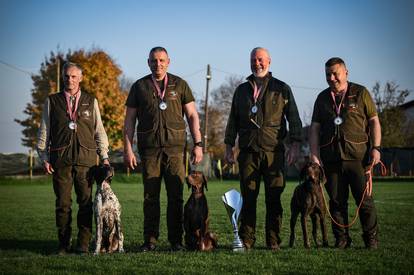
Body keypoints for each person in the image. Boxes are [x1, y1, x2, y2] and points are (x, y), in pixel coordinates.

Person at [123, 47, 203, 252]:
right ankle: (150, 240)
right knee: (151, 197)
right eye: (153, 61)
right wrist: (128, 148)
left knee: (176, 197)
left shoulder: (180, 84)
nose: (157, 64)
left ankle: (176, 241)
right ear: (147, 62)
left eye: (161, 60)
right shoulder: (139, 87)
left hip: (175, 150)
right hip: (149, 150)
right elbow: (129, 120)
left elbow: (193, 115)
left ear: (168, 61)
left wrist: (198, 143)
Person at [224, 47, 302, 251]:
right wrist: (228, 145)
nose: (257, 63)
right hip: (248, 152)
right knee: (248, 199)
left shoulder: (282, 88)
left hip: (274, 151)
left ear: (269, 61)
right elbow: (232, 120)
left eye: (260, 59)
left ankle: (273, 240)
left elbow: (293, 118)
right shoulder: (241, 90)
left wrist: (295, 145)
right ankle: (247, 239)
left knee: (274, 198)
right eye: (253, 60)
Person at [37, 62, 110, 255]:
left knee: (85, 204)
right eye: (67, 76)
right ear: (63, 78)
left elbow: (99, 131)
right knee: (63, 204)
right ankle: (63, 244)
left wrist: (104, 157)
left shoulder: (90, 100)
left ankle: (83, 244)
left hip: (86, 162)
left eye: (74, 76)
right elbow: (44, 131)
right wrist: (43, 157)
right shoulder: (52, 101)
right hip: (60, 161)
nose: (70, 80)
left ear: (81, 78)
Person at [309, 57, 381, 249]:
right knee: (336, 202)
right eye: (327, 74)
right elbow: (315, 129)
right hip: (331, 159)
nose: (331, 78)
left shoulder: (361, 93)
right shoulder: (322, 98)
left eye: (335, 73)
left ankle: (371, 239)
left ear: (346, 73)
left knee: (364, 202)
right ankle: (342, 239)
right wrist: (314, 155)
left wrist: (376, 148)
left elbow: (374, 121)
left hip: (358, 158)